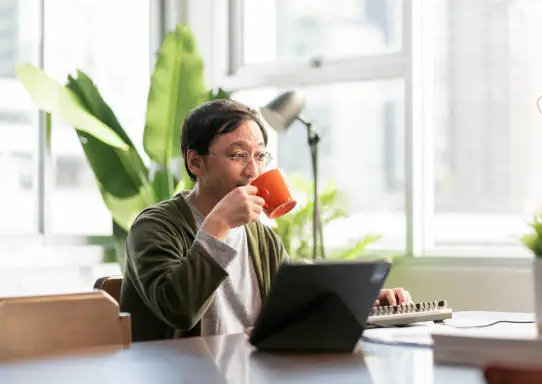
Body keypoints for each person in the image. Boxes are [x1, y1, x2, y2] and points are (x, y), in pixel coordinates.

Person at [119, 99, 412, 342]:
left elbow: (294, 307)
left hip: (252, 377)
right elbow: (179, 309)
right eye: (238, 156)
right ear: (195, 162)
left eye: (260, 155)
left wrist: (360, 301)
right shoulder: (155, 226)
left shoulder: (262, 237)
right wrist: (218, 224)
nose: (253, 170)